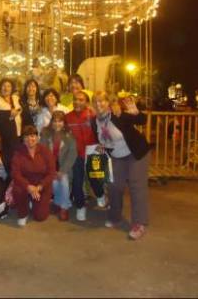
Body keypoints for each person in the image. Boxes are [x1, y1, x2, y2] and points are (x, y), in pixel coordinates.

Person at [92, 92, 151, 240]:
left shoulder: (118, 115)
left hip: (136, 153)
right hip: (117, 157)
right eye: (95, 102)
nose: (99, 105)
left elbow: (141, 120)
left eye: (102, 101)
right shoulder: (94, 122)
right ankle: (115, 216)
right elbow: (100, 141)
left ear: (108, 102)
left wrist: (135, 111)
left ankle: (139, 223)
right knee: (113, 185)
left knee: (136, 186)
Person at [65, 90, 106, 221]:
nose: (77, 102)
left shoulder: (93, 115)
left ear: (87, 103)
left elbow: (103, 130)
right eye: (75, 99)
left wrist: (102, 144)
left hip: (93, 152)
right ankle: (80, 207)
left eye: (81, 100)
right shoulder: (67, 117)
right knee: (77, 182)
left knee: (95, 179)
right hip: (76, 154)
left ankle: (100, 196)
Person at [11, 125, 56, 226]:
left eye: (32, 136)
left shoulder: (45, 151)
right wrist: (28, 186)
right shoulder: (18, 152)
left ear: (37, 137)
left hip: (42, 185)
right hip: (24, 184)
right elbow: (15, 173)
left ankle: (34, 203)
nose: (29, 139)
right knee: (17, 189)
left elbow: (51, 172)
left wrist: (40, 186)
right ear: (23, 139)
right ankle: (23, 213)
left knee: (40, 217)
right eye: (26, 137)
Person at [40, 111, 77, 221]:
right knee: (54, 181)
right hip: (49, 167)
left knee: (63, 181)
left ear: (64, 123)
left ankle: (64, 208)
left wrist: (62, 171)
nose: (57, 124)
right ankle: (58, 202)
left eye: (60, 121)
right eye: (55, 121)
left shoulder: (69, 136)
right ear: (51, 122)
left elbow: (72, 155)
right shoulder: (45, 134)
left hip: (64, 168)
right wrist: (51, 170)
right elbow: (42, 152)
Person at [0, 78, 22, 168]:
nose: (6, 88)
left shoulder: (16, 98)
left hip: (17, 134)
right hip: (3, 135)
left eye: (8, 86)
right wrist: (9, 113)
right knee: (4, 161)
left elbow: (21, 110)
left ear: (12, 88)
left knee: (16, 161)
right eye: (4, 86)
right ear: (0, 87)